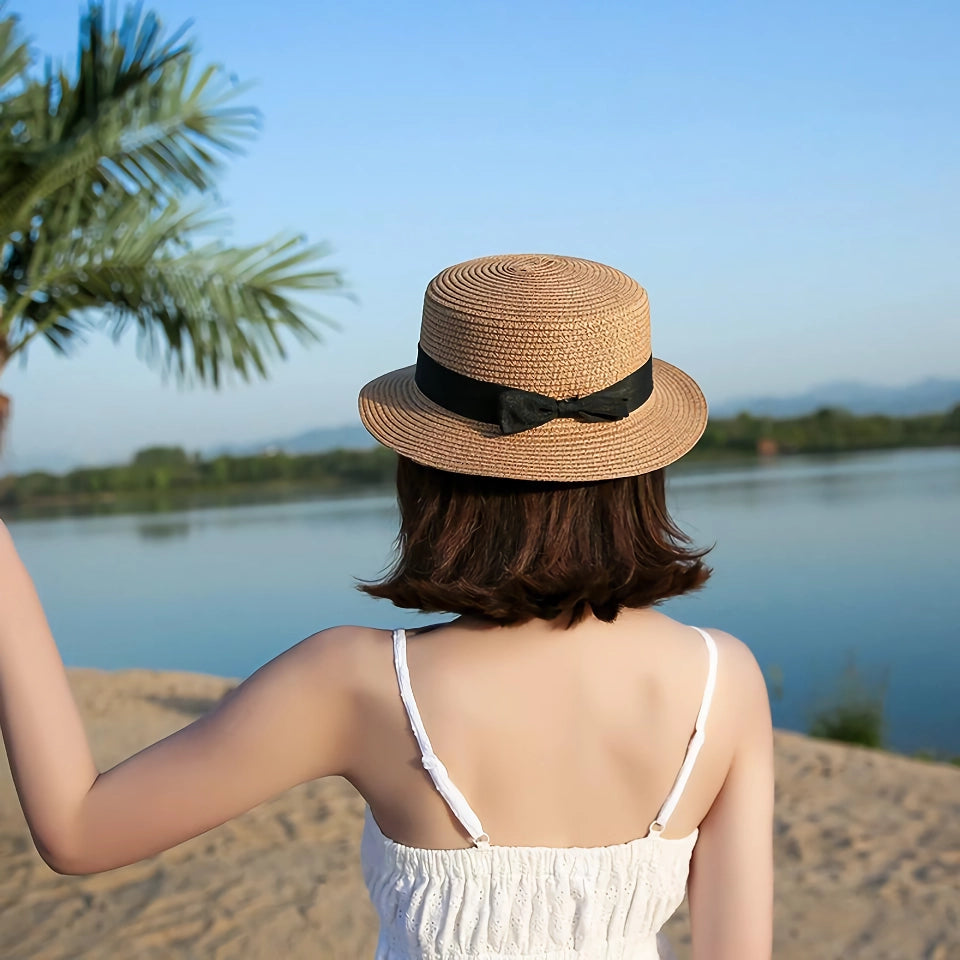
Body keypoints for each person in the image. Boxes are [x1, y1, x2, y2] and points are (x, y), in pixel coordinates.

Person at [0, 254, 774, 959]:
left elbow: (77, 830)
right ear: (641, 469)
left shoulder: (355, 681)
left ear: (425, 470)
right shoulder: (723, 680)